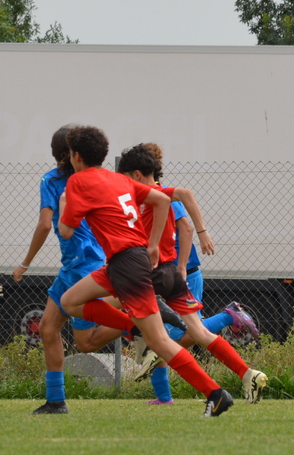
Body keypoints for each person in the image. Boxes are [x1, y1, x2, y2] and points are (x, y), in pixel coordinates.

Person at [55, 126, 236, 417]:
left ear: (76, 156)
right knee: (70, 301)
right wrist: (151, 246)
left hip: (127, 265)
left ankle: (215, 394)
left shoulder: (78, 182)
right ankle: (134, 327)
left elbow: (65, 231)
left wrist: (65, 204)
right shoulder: (117, 179)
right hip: (123, 262)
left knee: (159, 341)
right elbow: (162, 200)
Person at [12, 127, 187, 414]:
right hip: (93, 260)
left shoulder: (52, 181)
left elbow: (46, 225)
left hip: (79, 264)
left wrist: (25, 262)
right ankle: (56, 400)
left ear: (64, 154)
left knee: (85, 341)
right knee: (48, 327)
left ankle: (138, 327)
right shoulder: (99, 177)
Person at [113, 143, 269, 405]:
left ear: (137, 174)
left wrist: (186, 252)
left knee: (97, 306)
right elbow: (183, 195)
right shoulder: (154, 194)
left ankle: (145, 341)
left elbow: (183, 220)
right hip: (169, 274)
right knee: (193, 333)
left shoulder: (152, 194)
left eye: (126, 178)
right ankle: (246, 373)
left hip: (156, 274)